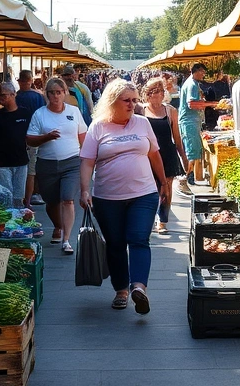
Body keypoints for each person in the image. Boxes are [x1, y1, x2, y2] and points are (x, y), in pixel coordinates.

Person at [79, 80, 168, 314]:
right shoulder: (98, 127)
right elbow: (87, 161)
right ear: (112, 101)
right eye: (126, 100)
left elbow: (154, 154)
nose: (132, 105)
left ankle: (139, 287)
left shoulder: (142, 123)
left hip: (144, 194)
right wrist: (84, 189)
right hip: (107, 198)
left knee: (139, 239)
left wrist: (164, 182)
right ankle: (121, 290)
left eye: (134, 100)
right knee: (116, 244)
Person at [27, 78, 87, 255]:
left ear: (65, 93)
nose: (55, 95)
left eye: (58, 92)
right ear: (47, 94)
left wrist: (88, 159)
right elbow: (29, 139)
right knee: (51, 201)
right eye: (51, 92)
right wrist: (46, 137)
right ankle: (58, 226)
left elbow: (83, 136)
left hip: (71, 162)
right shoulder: (40, 114)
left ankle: (67, 239)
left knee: (68, 198)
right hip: (47, 163)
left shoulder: (74, 112)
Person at [142, 78, 186, 234]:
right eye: (152, 92)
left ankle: (162, 221)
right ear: (146, 94)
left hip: (167, 153)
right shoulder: (141, 111)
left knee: (166, 188)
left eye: (159, 91)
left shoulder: (170, 111)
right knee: (150, 188)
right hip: (147, 155)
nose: (156, 95)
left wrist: (183, 157)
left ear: (163, 94)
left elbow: (177, 137)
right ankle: (150, 219)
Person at [0, 82, 32, 208]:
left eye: (3, 95)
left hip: (21, 161)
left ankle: (18, 221)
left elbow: (31, 134)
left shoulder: (25, 113)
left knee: (18, 197)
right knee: (6, 196)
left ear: (13, 95)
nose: (0, 98)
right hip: (3, 163)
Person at [178, 63, 217, 193]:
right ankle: (185, 179)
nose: (203, 74)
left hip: (192, 121)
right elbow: (192, 104)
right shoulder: (192, 84)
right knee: (192, 151)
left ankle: (190, 177)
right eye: (202, 72)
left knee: (194, 150)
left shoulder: (193, 83)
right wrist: (211, 104)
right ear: (196, 71)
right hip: (189, 121)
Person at [16, 70, 47, 206]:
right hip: (34, 136)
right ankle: (31, 196)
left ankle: (23, 197)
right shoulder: (37, 97)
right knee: (31, 169)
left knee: (23, 168)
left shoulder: (16, 97)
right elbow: (43, 116)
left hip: (20, 137)